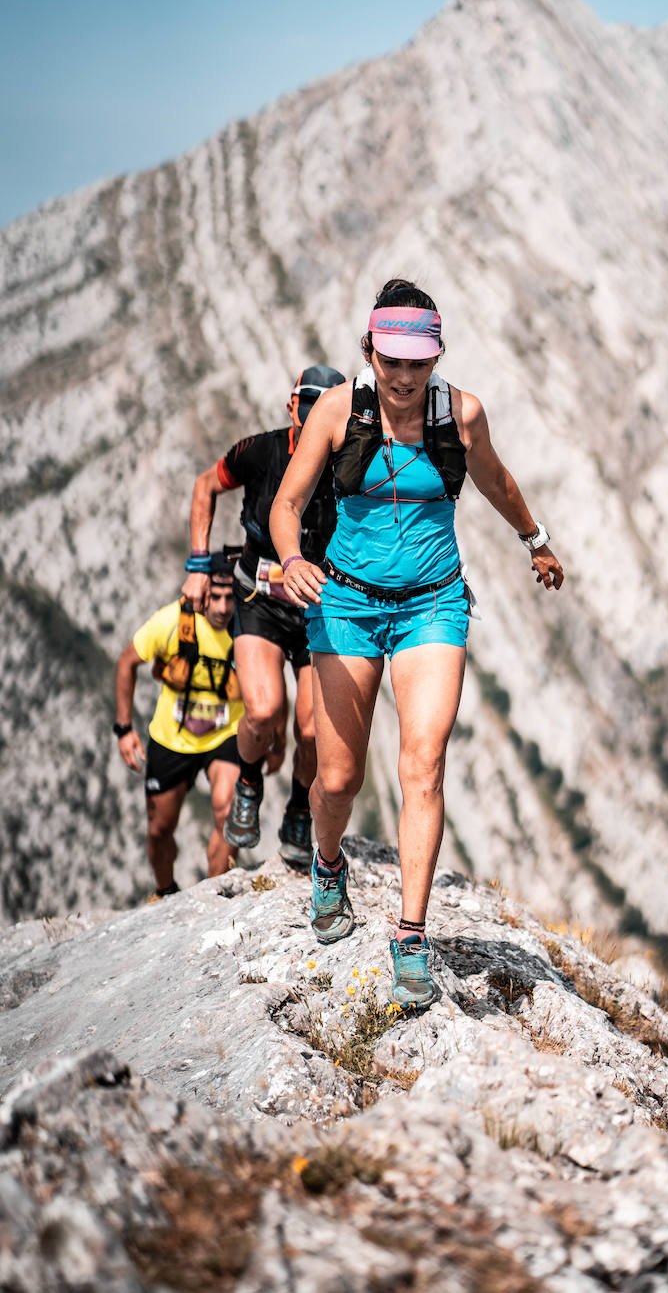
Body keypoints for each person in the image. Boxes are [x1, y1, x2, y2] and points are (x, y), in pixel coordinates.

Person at [270, 279, 564, 1009]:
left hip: (434, 605)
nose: (404, 378)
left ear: (436, 357)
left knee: (424, 763)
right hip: (343, 601)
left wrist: (537, 540)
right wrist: (293, 559)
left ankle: (410, 936)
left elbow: (495, 481)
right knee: (338, 780)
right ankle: (329, 865)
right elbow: (287, 503)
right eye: (391, 361)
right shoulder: (339, 411)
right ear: (370, 351)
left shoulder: (460, 414)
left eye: (419, 363)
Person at [182, 366, 346, 870]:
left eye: (324, 405)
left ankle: (299, 808)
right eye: (306, 403)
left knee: (315, 732)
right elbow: (206, 486)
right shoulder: (258, 451)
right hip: (259, 599)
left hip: (318, 606)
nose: (312, 413)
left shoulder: (348, 464)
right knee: (262, 710)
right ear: (290, 404)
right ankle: (249, 782)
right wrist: (197, 563)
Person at [114, 553, 244, 899]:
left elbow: (268, 679)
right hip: (171, 739)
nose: (221, 607)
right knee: (159, 828)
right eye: (214, 597)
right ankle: (164, 891)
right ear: (202, 593)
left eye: (230, 597)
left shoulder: (247, 625)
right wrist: (123, 729)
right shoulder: (172, 621)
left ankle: (216, 897)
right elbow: (127, 662)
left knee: (228, 811)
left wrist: (276, 739)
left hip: (225, 734)